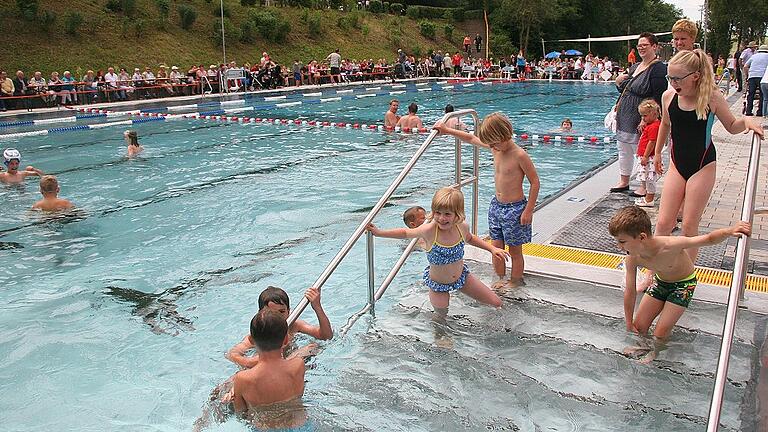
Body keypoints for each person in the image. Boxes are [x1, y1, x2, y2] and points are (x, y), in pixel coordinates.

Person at [650, 49, 764, 271]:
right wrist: (656, 152)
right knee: (663, 223)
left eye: (677, 78)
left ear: (695, 76)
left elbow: (731, 126)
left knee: (689, 226)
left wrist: (747, 121)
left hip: (703, 165)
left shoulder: (711, 97)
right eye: (669, 78)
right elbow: (666, 124)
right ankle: (652, 271)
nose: (672, 83)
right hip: (677, 163)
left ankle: (686, 276)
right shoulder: (668, 97)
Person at [609, 206, 750, 363]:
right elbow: (630, 291)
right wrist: (629, 322)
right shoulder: (632, 258)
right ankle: (642, 346)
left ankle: (655, 353)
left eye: (622, 242)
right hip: (661, 283)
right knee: (639, 327)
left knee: (660, 333)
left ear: (642, 237)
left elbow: (708, 239)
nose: (619, 247)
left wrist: (729, 231)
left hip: (683, 285)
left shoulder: (670, 245)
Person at [434, 113, 540, 288]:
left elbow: (535, 182)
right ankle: (500, 278)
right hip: (496, 207)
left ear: (503, 135)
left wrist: (528, 210)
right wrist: (447, 130)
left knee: (515, 251)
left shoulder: (519, 155)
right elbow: (470, 138)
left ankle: (515, 281)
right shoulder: (496, 147)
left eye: (493, 143)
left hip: (515, 210)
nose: (491, 147)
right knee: (496, 247)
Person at [367, 187, 505, 314]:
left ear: (457, 214)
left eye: (447, 214)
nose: (441, 218)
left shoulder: (461, 226)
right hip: (439, 285)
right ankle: (439, 337)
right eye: (437, 213)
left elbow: (470, 238)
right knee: (441, 317)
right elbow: (404, 232)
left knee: (496, 303)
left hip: (462, 277)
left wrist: (492, 248)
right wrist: (379, 232)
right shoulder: (429, 231)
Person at [610, 32, 667, 193]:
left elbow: (658, 96)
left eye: (645, 45)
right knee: (623, 149)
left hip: (642, 116)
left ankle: (645, 187)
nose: (641, 48)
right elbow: (625, 88)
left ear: (654, 47)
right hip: (625, 115)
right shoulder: (635, 66)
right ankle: (624, 180)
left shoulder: (658, 69)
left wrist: (646, 119)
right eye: (639, 45)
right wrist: (618, 82)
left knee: (643, 152)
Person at [227, 286, 332, 369]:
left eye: (282, 312)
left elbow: (326, 336)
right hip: (267, 367)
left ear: (289, 311)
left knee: (313, 347)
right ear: (261, 314)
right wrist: (250, 361)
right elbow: (232, 354)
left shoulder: (294, 326)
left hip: (287, 364)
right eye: (272, 313)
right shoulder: (259, 333)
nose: (278, 317)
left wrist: (317, 307)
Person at [231, 309, 306, 413]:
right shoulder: (298, 365)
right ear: (286, 340)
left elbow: (240, 412)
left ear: (252, 340)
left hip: (262, 428)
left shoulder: (243, 379)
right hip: (301, 425)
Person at [630, 99, 661, 208]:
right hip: (646, 156)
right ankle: (648, 196)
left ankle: (649, 199)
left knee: (649, 178)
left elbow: (651, 142)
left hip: (649, 158)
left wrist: (646, 156)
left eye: (645, 116)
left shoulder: (654, 126)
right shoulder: (651, 124)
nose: (643, 119)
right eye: (642, 116)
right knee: (646, 177)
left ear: (654, 114)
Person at [744, 44, 768, 117]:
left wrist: (747, 75)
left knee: (751, 94)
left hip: (752, 76)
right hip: (762, 76)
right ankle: (760, 112)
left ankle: (748, 111)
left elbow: (745, 66)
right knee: (762, 94)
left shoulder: (754, 56)